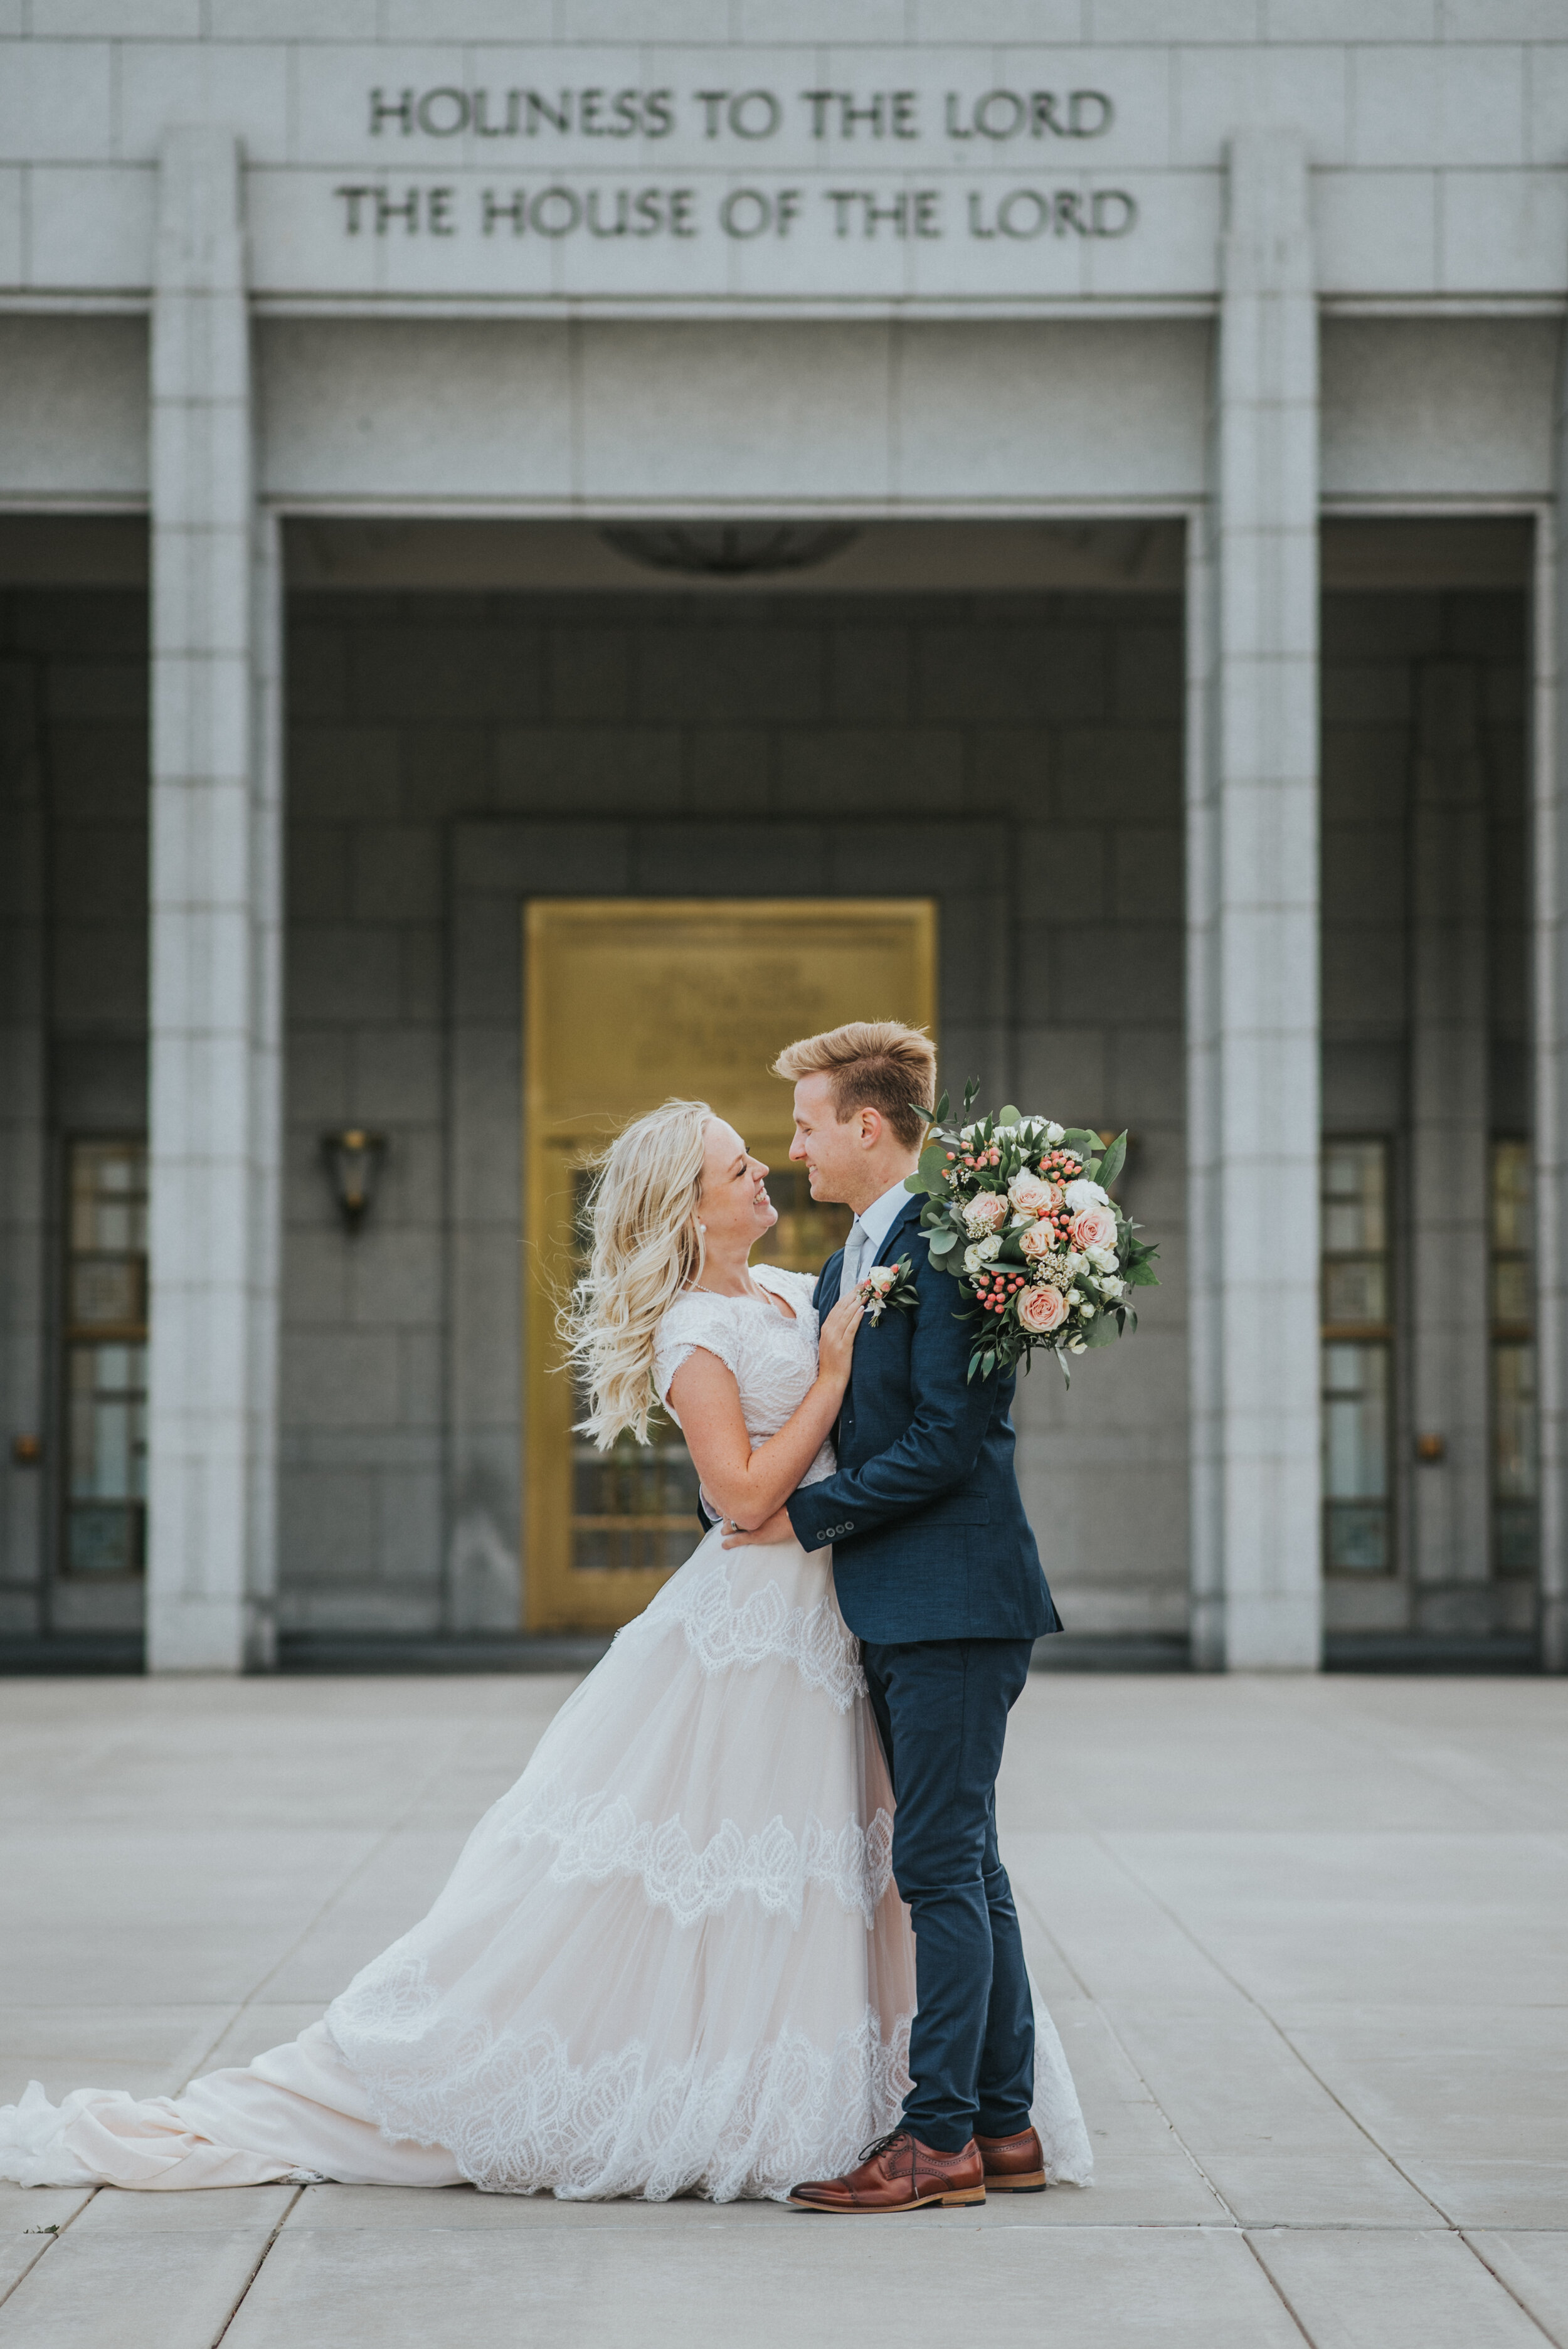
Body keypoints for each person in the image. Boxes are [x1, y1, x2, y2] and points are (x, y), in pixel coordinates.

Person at [0, 1092, 1091, 2203]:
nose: (765, 1167)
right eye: (737, 1166)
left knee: (850, 1861)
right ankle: (742, 2090)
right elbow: (740, 1494)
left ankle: (936, 2109)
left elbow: (894, 1407)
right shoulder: (692, 1329)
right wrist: (826, 1381)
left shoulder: (790, 1286)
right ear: (690, 1207)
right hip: (759, 1616)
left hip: (838, 1613)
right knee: (728, 1859)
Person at [725, 1021, 1067, 2214]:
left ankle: (936, 2142)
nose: (794, 1149)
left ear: (868, 1125)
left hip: (956, 1600)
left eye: (808, 1125)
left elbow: (945, 1444)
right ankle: (1004, 2127)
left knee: (936, 1864)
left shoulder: (952, 1248)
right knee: (967, 1857)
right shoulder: (843, 1269)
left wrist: (803, 1521)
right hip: (902, 1602)